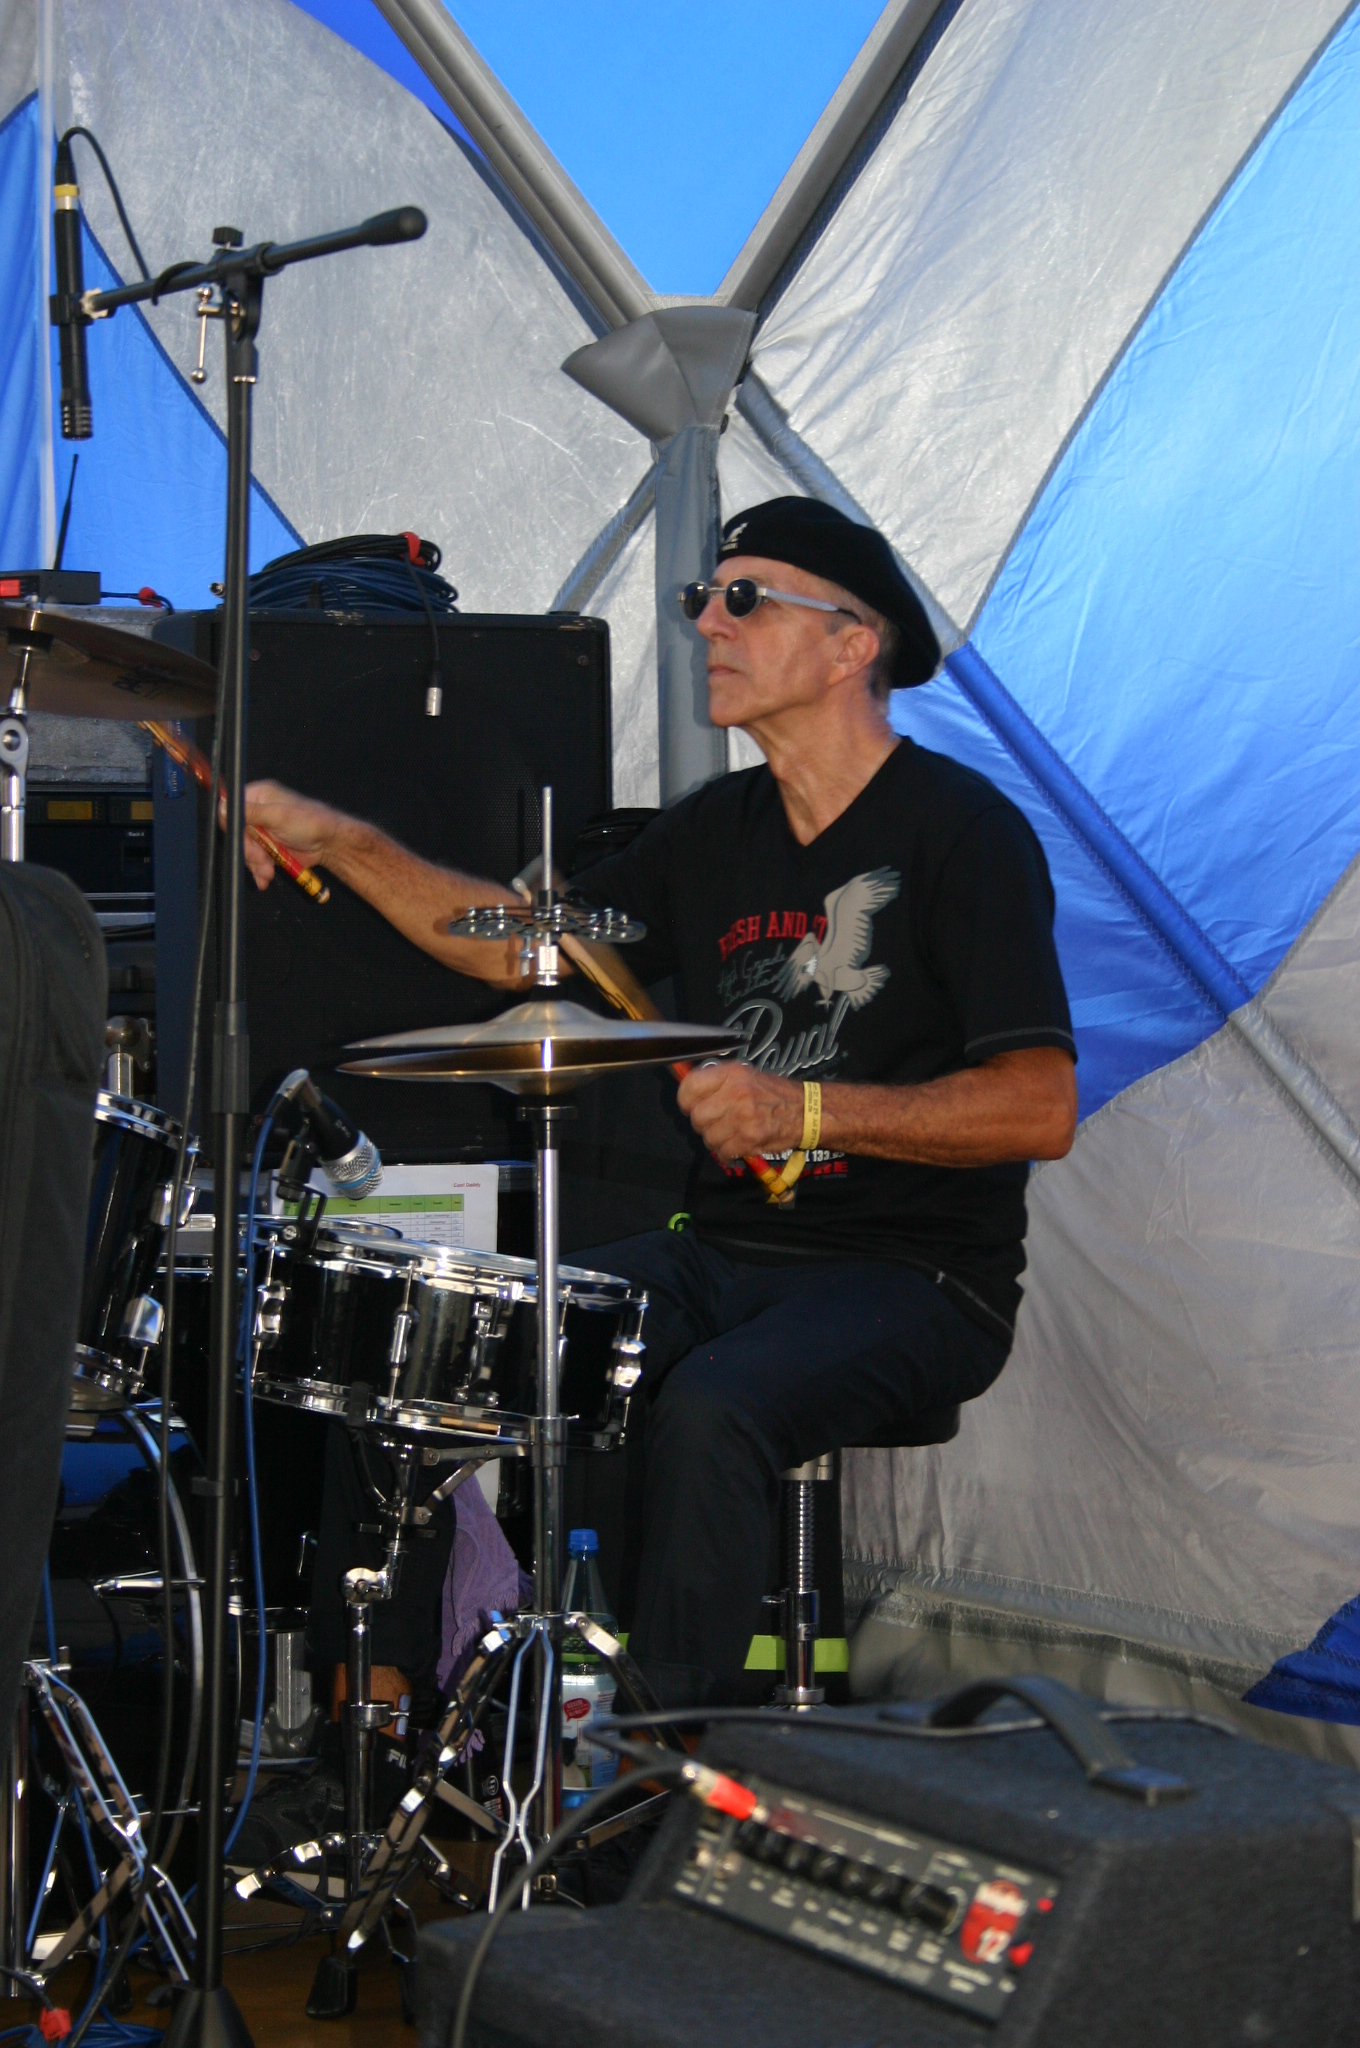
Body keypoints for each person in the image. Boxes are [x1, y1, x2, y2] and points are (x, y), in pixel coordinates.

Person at [243, 496, 1077, 1709]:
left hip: (919, 1276)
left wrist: (807, 1114)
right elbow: (516, 948)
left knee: (713, 1406)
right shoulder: (712, 833)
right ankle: (370, 1740)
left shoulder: (963, 832)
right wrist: (336, 836)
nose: (706, 625)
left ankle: (666, 1767)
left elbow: (1038, 1106)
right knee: (417, 1347)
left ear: (852, 643)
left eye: (743, 599)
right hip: (724, 1252)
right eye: (702, 599)